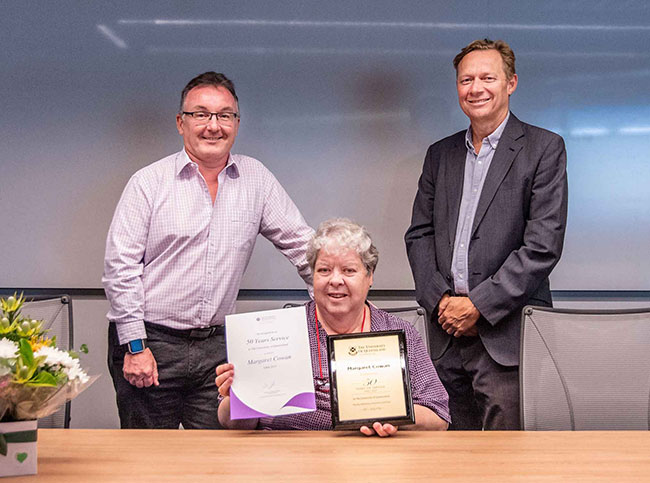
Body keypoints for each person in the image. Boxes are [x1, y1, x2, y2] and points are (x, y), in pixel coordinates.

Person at [103, 72, 314, 429]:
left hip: (218, 350)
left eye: (225, 115)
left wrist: (340, 293)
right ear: (180, 123)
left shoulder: (256, 178)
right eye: (201, 114)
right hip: (152, 345)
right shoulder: (148, 183)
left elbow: (304, 246)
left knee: (220, 460)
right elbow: (120, 268)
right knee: (149, 461)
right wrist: (135, 348)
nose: (213, 126)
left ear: (236, 123)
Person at [404, 39, 568, 430]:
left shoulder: (544, 148)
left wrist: (477, 305)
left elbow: (542, 247)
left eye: (487, 77)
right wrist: (441, 301)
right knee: (445, 456)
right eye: (466, 80)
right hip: (445, 335)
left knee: (505, 460)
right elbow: (419, 235)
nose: (475, 88)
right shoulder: (440, 154)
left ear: (511, 83)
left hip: (505, 336)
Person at [216, 218, 450, 436]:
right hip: (287, 460)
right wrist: (236, 398)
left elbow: (439, 417)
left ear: (370, 276)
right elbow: (231, 422)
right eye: (324, 270)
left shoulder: (399, 332)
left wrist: (393, 416)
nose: (335, 280)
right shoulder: (275, 334)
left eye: (349, 270)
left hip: (370, 460)